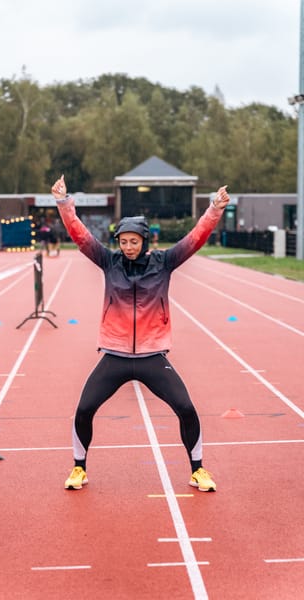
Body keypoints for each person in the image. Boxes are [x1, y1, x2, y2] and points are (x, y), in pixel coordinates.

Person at [51, 175, 229, 492]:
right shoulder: (109, 261)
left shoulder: (164, 263)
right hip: (115, 356)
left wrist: (213, 209)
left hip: (152, 356)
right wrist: (65, 203)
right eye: (123, 241)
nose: (128, 247)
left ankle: (197, 470)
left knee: (186, 408)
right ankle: (79, 468)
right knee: (84, 409)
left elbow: (195, 239)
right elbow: (81, 237)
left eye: (133, 241)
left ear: (144, 241)